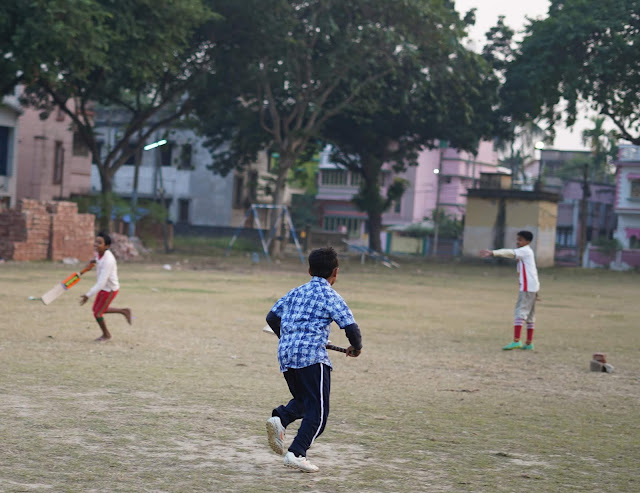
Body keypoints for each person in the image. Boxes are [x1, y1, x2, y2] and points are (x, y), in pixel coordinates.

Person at [264, 246, 363, 473]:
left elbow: (271, 317)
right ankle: (297, 453)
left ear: (309, 270)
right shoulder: (330, 295)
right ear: (335, 272)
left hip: (287, 355)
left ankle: (281, 418)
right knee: (318, 414)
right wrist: (356, 348)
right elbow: (351, 328)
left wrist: (289, 337)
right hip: (312, 358)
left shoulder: (296, 292)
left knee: (305, 400)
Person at [480, 230, 540, 351]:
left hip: (528, 288)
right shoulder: (527, 252)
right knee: (530, 315)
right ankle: (529, 343)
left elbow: (509, 252)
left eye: (520, 240)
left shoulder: (524, 251)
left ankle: (516, 341)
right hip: (532, 287)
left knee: (520, 312)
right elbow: (531, 271)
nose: (517, 242)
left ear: (527, 241)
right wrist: (536, 290)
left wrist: (493, 252)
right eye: (517, 239)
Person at [79, 232, 132, 342]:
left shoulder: (109, 261)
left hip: (110, 289)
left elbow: (101, 283)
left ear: (107, 246)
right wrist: (93, 261)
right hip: (104, 288)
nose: (96, 244)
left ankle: (106, 335)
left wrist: (88, 295)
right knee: (96, 310)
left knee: (98, 313)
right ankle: (124, 311)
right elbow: (97, 259)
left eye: (100, 243)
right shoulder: (99, 254)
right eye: (96, 242)